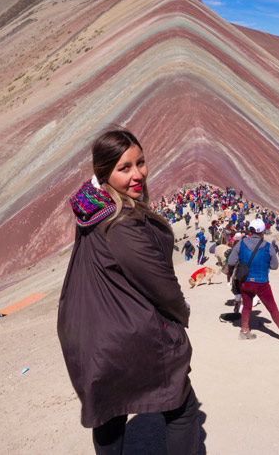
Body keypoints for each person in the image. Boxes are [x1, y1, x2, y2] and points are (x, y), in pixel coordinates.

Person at [58, 129, 199, 454]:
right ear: (104, 172)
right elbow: (162, 286)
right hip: (127, 335)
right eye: (125, 168)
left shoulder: (93, 211)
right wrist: (182, 314)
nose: (138, 174)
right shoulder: (122, 225)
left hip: (91, 335)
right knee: (182, 408)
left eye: (141, 162)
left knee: (109, 415)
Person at [228, 218, 279, 342]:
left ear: (250, 230)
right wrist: (264, 265)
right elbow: (274, 266)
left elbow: (231, 261)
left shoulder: (240, 244)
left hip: (244, 282)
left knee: (247, 306)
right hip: (261, 283)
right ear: (262, 232)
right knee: (272, 308)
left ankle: (244, 331)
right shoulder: (268, 246)